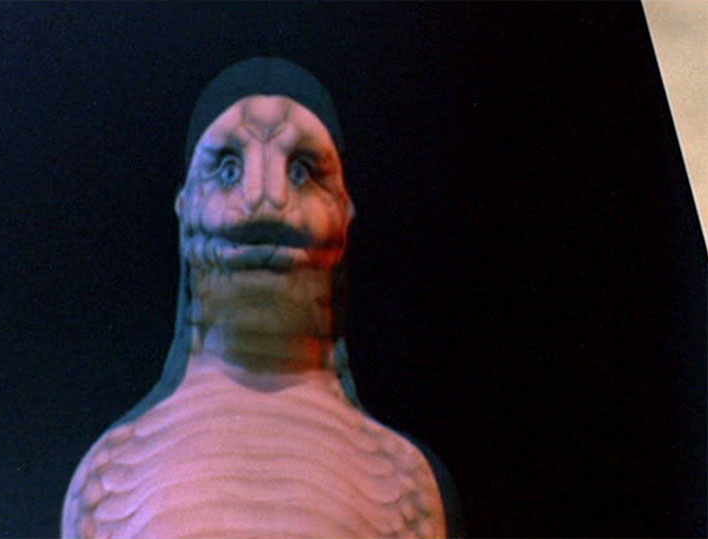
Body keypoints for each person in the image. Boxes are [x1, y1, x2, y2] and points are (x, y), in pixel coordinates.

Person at [62, 57, 461, 539]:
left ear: (345, 211)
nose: (263, 201)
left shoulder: (412, 484)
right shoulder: (107, 478)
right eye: (229, 168)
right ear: (184, 206)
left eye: (302, 172)